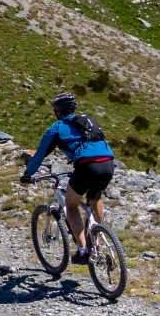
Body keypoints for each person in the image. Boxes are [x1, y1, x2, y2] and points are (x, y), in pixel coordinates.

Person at [20, 93, 116, 264]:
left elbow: (40, 155)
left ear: (57, 111)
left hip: (87, 166)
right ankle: (98, 243)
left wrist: (28, 174)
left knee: (71, 206)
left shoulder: (57, 128)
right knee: (95, 197)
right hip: (108, 163)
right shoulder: (88, 122)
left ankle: (83, 250)